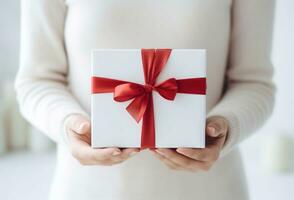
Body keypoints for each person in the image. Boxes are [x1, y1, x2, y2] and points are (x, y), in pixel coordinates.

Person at [15, 0, 275, 200]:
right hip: (88, 190)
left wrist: (225, 127)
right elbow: (37, 80)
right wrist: (68, 124)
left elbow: (253, 82)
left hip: (211, 190)